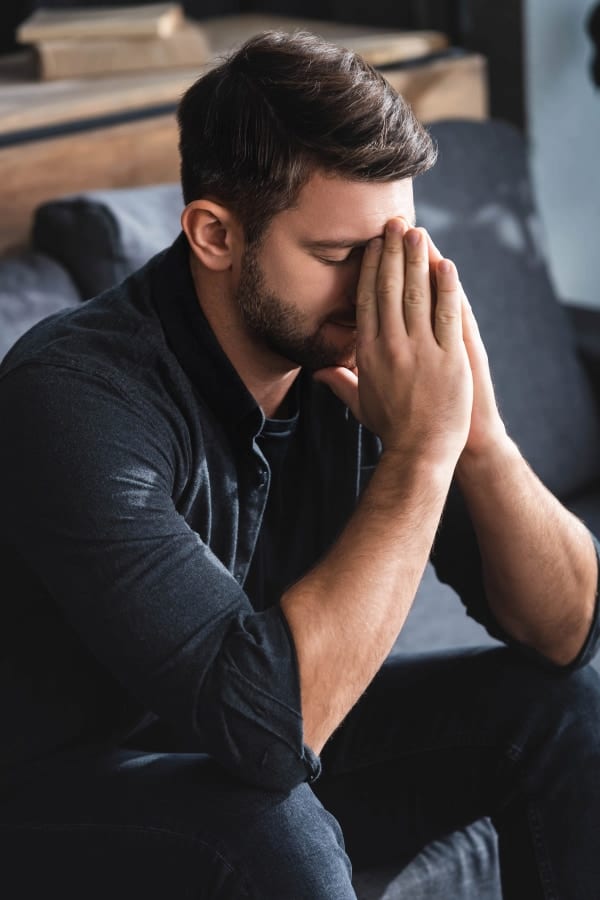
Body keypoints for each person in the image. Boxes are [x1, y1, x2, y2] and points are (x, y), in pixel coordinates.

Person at [1, 30, 599, 900]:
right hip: (49, 792)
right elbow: (273, 735)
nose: (376, 292)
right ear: (214, 234)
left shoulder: (356, 360)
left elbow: (567, 633)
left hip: (225, 740)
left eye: (391, 248)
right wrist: (424, 449)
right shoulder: (72, 397)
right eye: (338, 257)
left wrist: (477, 436)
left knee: (568, 716)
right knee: (265, 831)